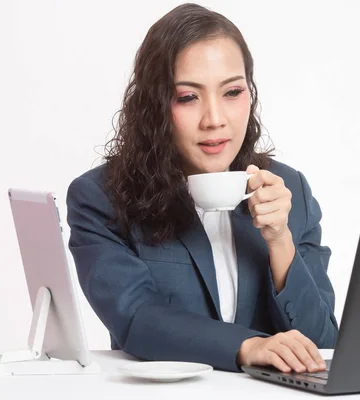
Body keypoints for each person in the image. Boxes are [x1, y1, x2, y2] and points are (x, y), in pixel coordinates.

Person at [66, 3, 338, 374]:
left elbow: (322, 343)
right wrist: (248, 346)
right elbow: (136, 318)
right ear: (154, 105)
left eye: (232, 92)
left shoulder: (289, 190)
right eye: (188, 97)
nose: (215, 120)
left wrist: (280, 241)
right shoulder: (101, 197)